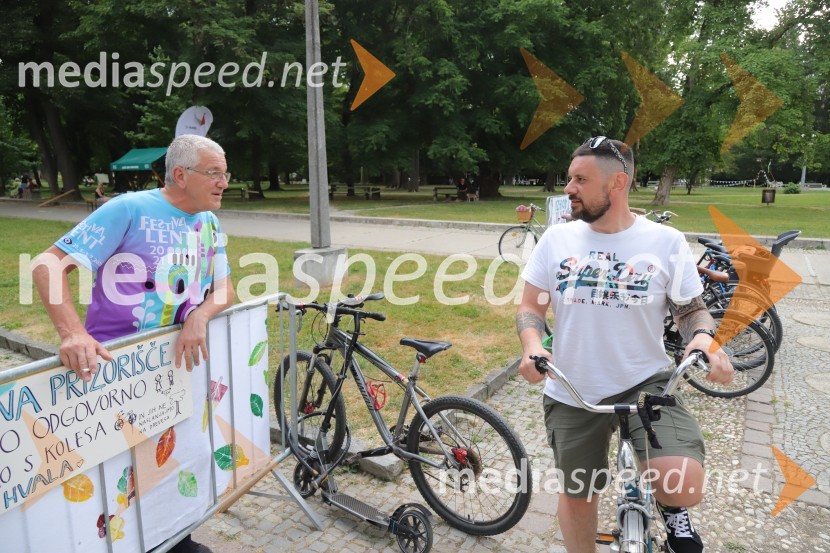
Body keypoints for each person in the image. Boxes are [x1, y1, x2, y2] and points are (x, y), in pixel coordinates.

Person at [516, 136, 734, 553]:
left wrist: (703, 341)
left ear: (618, 183)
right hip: (572, 389)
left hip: (645, 382)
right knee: (580, 493)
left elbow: (691, 311)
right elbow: (531, 306)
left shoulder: (665, 242)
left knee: (681, 485)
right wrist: (532, 344)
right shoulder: (555, 241)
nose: (568, 189)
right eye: (569, 178)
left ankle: (673, 513)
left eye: (580, 179)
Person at [33, 134, 234, 553]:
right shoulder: (128, 209)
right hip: (116, 375)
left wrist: (199, 315)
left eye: (225, 173)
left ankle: (178, 539)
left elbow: (224, 289)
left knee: (170, 462)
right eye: (214, 172)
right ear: (181, 175)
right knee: (120, 479)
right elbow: (47, 265)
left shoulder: (208, 222)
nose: (224, 182)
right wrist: (73, 333)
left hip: (174, 372)